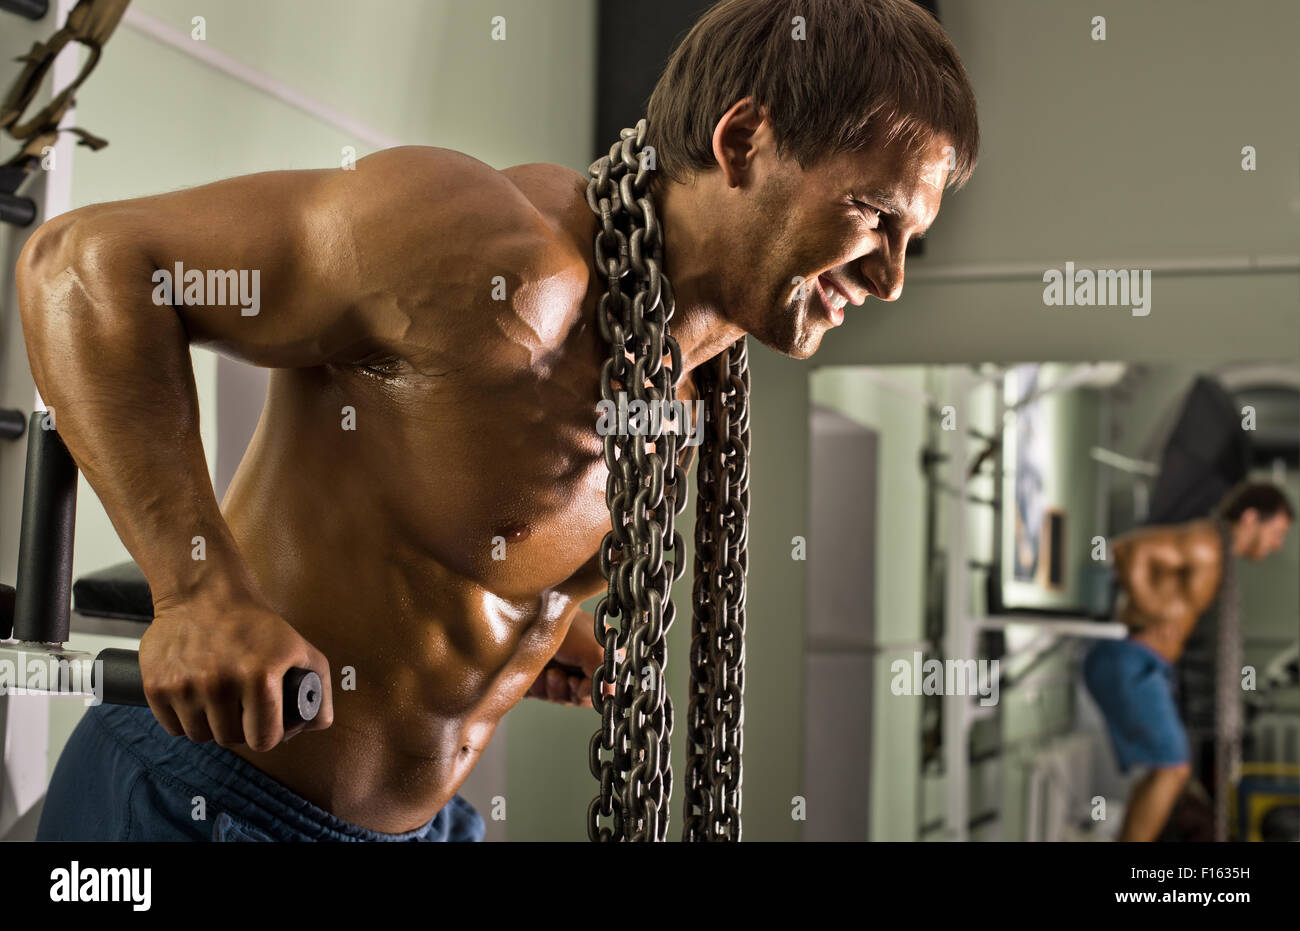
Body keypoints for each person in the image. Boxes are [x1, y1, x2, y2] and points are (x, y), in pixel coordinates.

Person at [17, 0, 978, 841]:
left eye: (912, 241)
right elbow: (85, 265)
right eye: (871, 215)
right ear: (743, 141)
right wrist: (197, 592)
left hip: (429, 827)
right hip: (208, 804)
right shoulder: (491, 259)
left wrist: (537, 623)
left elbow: (452, 529)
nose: (891, 276)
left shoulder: (682, 389)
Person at [1084, 481, 1294, 842]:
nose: (1277, 545)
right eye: (1275, 533)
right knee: (1172, 768)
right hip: (1132, 661)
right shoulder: (1206, 545)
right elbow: (1128, 549)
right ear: (1249, 518)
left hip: (1149, 666)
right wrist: (1152, 610)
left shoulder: (1219, 556)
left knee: (1168, 771)